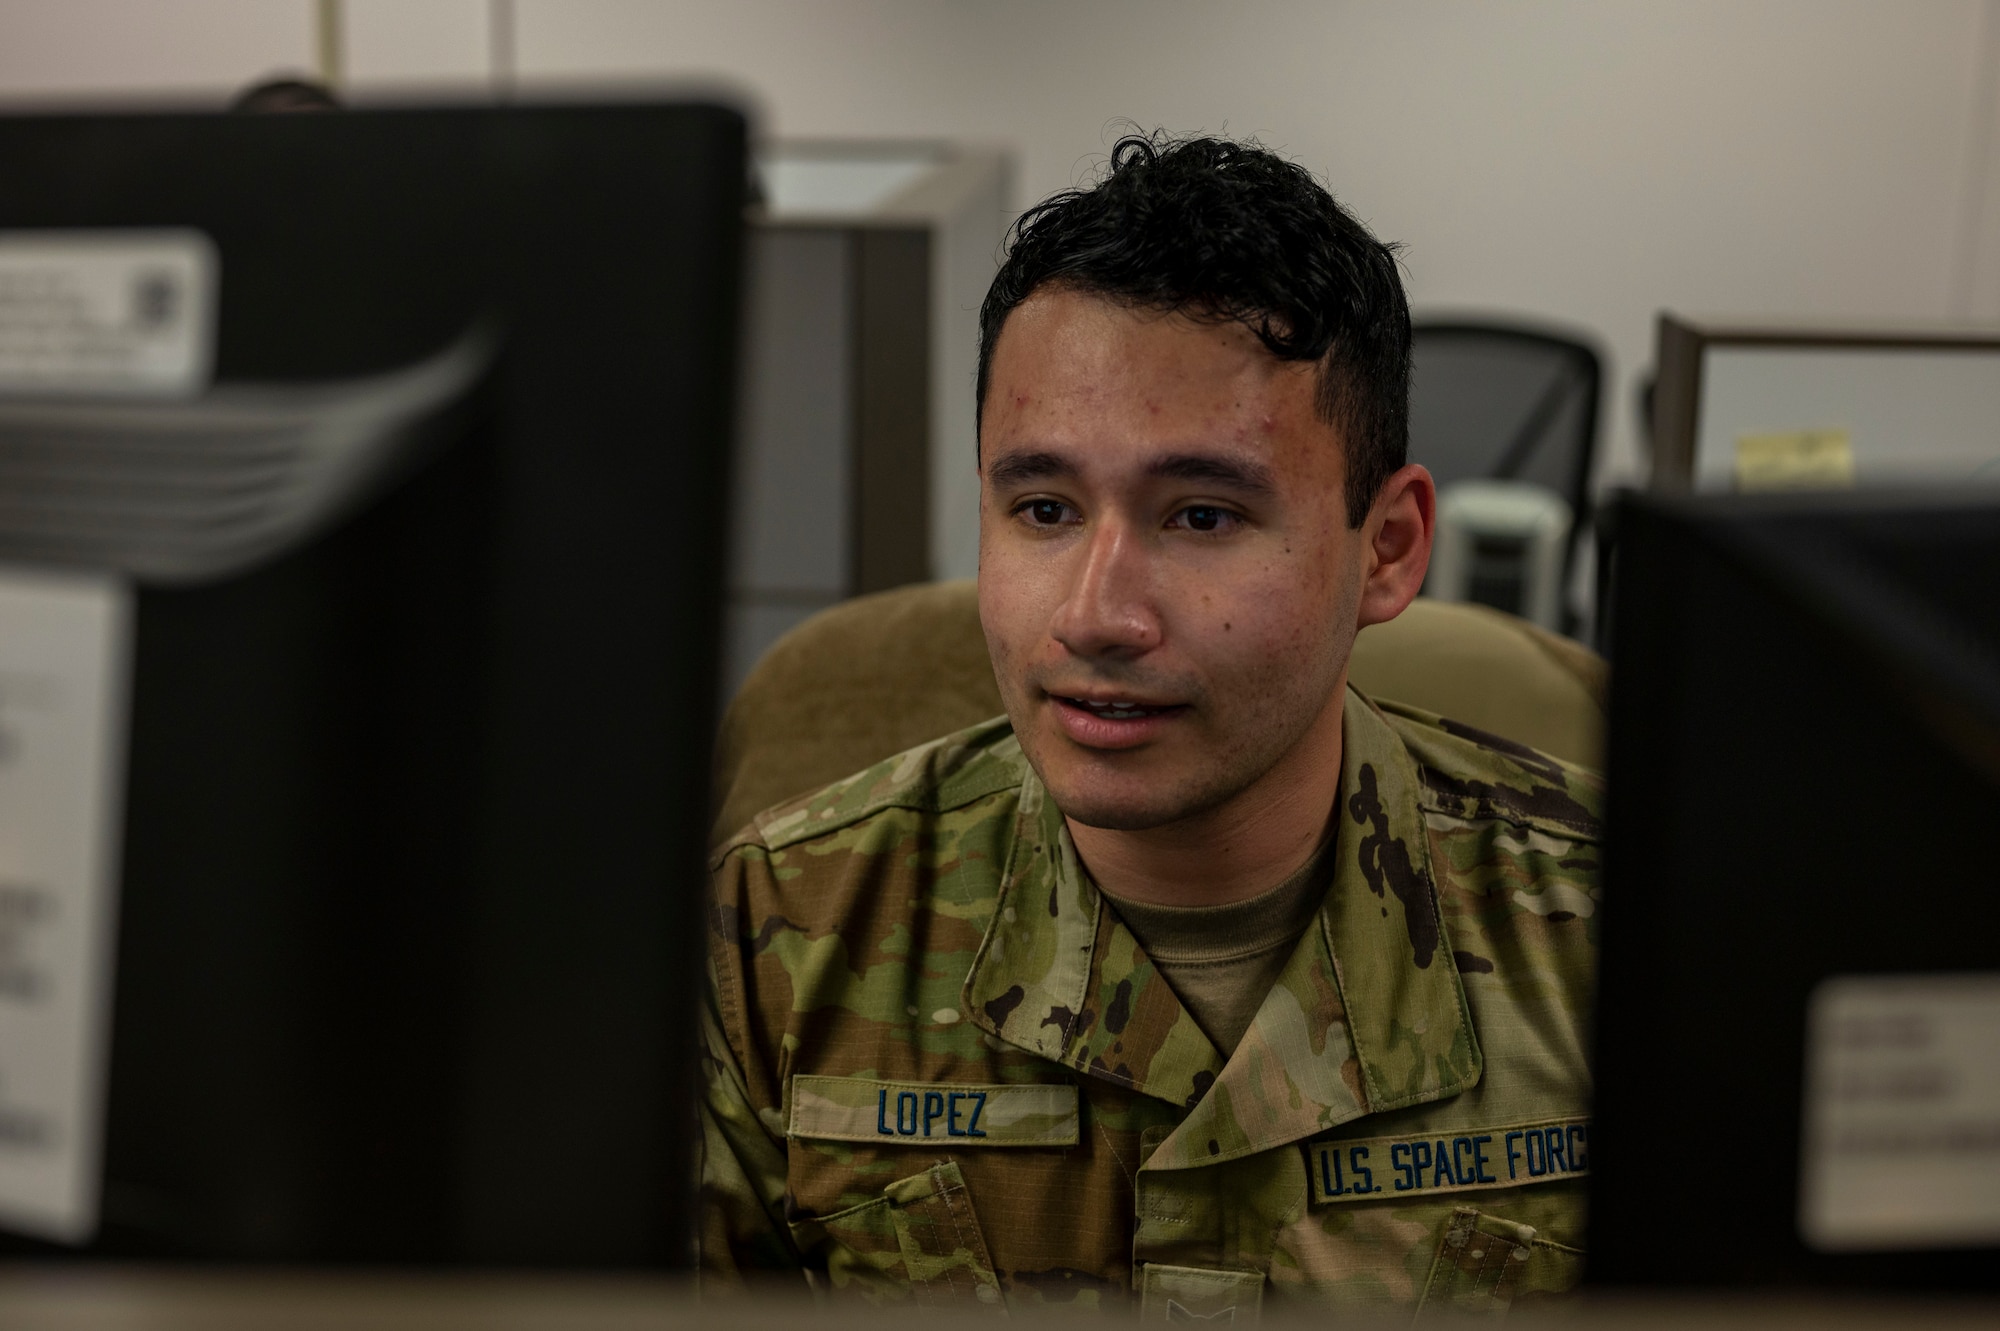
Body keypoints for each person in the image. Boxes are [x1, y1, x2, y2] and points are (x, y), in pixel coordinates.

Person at [699, 133, 1600, 1321]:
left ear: (1384, 548)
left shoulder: (1605, 946)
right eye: (1041, 507)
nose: (1094, 613)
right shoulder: (784, 932)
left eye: (1202, 516)